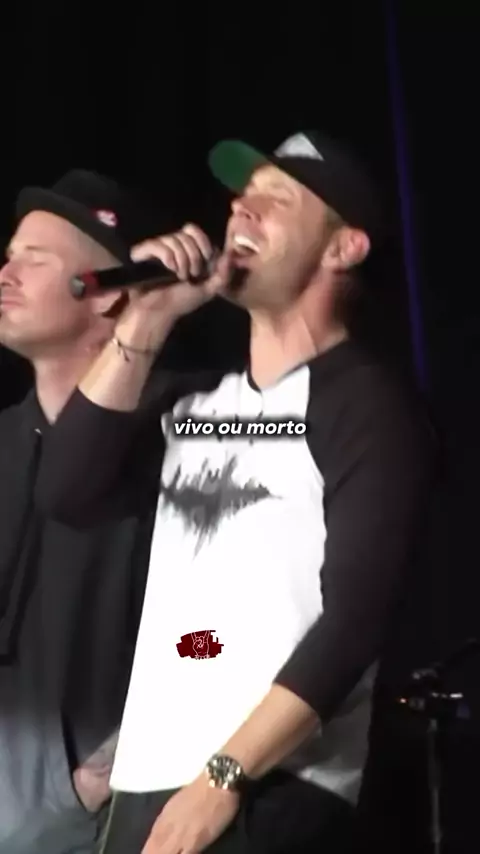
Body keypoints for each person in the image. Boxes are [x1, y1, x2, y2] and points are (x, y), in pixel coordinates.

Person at [36, 132, 435, 854]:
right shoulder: (191, 404)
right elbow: (65, 491)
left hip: (267, 787)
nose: (241, 212)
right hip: (149, 784)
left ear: (343, 248)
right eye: (242, 198)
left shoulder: (363, 403)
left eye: (276, 200)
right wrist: (148, 319)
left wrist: (224, 776)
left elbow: (354, 623)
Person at [0, 170, 158, 853]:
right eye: (10, 256)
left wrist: (106, 770)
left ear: (110, 295)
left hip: (107, 807)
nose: (7, 274)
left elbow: (217, 632)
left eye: (35, 261)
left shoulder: (181, 430)